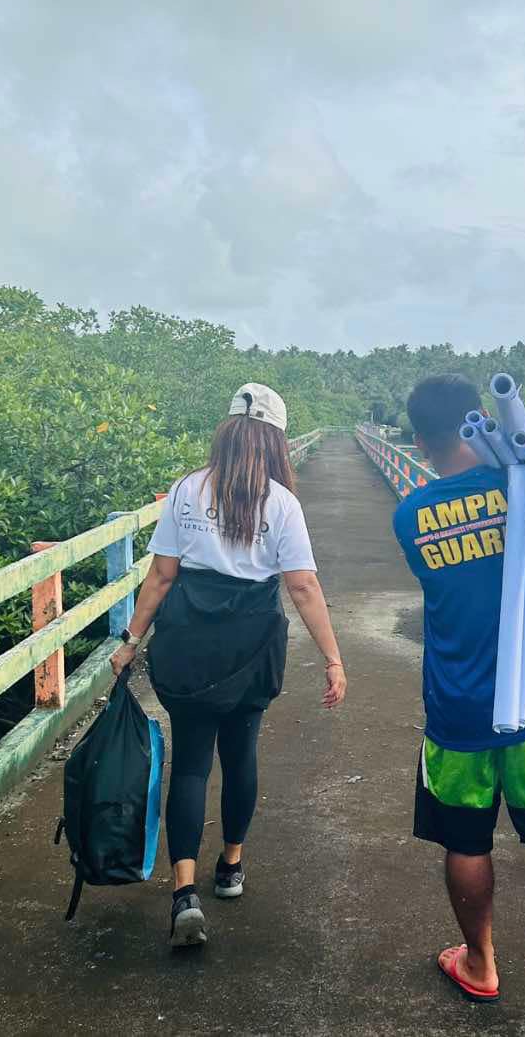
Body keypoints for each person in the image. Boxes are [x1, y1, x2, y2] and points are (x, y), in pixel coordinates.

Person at [392, 374, 525, 1009]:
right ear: (480, 416)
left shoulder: (410, 516)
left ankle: (481, 963)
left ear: (417, 440)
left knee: (465, 837)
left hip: (459, 705)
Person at [110, 382, 347, 947]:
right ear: (275, 442)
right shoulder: (281, 503)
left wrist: (130, 640)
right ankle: (231, 867)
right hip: (251, 646)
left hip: (187, 642)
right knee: (240, 756)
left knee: (190, 764)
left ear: (226, 432)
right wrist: (333, 659)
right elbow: (303, 586)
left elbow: (162, 576)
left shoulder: (187, 491)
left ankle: (183, 892)